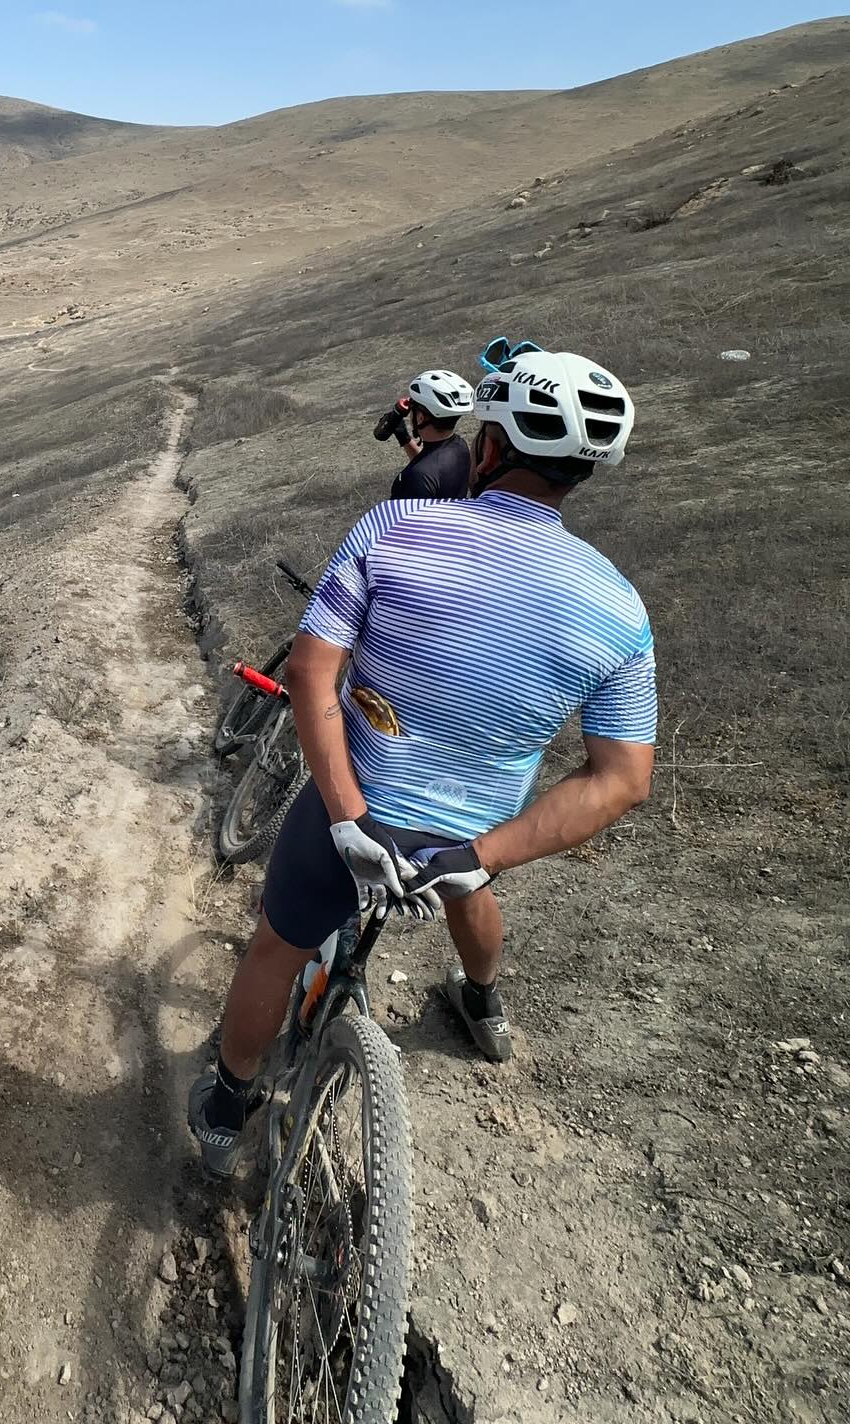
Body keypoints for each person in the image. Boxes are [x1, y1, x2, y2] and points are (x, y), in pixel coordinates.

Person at [190, 349, 657, 1176]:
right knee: (469, 898)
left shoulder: (396, 529)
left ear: (487, 448)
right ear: (582, 477)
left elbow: (309, 670)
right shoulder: (620, 607)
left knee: (276, 947)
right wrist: (480, 854)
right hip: (468, 841)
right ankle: (480, 1001)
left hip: (356, 811)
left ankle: (228, 1097)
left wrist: (347, 814)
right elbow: (622, 781)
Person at [373, 369, 475, 499]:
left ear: (420, 417)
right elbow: (429, 464)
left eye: (412, 407)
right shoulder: (460, 446)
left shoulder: (414, 479)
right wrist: (404, 439)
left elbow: (424, 472)